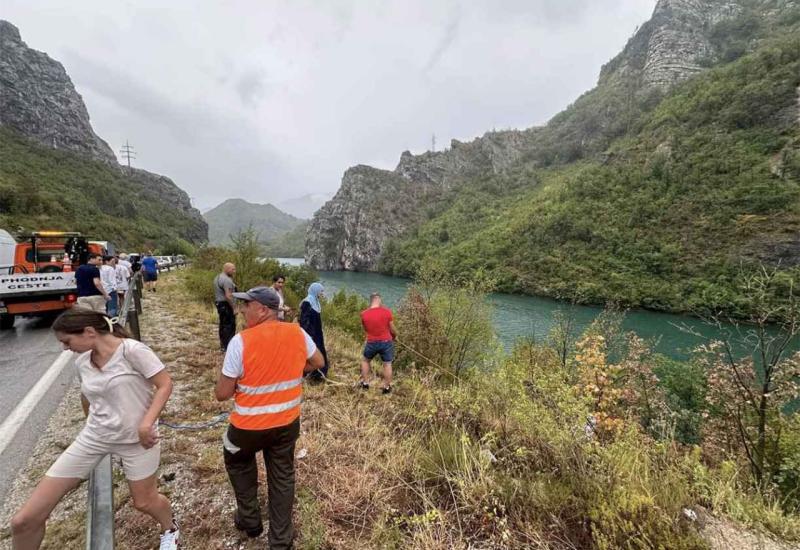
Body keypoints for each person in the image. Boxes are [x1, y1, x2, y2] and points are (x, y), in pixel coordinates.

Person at [10, 309, 179, 550]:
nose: (65, 349)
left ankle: (170, 528)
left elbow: (165, 384)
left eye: (67, 342)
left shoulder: (132, 351)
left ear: (89, 332)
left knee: (144, 502)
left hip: (138, 441)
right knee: (23, 521)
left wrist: (146, 423)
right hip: (94, 438)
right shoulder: (82, 362)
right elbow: (87, 396)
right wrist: (91, 422)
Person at [215, 286, 324, 548]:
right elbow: (318, 361)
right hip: (286, 424)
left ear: (263, 309)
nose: (241, 310)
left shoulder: (241, 341)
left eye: (246, 305)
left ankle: (250, 521)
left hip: (247, 426)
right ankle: (281, 541)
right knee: (282, 477)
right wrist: (293, 371)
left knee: (238, 461)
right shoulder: (296, 333)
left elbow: (222, 393)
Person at [360, 293, 398, 394]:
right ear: (378, 299)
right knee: (387, 364)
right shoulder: (387, 312)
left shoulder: (364, 314)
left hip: (371, 342)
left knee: (365, 361)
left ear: (371, 300)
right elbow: (392, 329)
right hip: (386, 342)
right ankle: (386, 388)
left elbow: (366, 329)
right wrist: (395, 336)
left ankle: (365, 384)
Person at [299, 282, 328, 380]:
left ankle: (318, 374)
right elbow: (304, 321)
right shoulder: (307, 303)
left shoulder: (315, 301)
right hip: (311, 334)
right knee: (312, 353)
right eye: (321, 291)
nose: (322, 293)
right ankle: (311, 373)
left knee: (319, 351)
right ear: (315, 291)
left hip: (317, 333)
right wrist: (309, 334)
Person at [214, 263, 237, 352]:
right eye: (233, 269)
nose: (234, 271)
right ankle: (228, 346)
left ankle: (223, 345)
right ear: (226, 269)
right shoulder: (227, 280)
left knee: (223, 324)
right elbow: (228, 296)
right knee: (229, 325)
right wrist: (234, 307)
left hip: (219, 304)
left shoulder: (217, 277)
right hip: (226, 304)